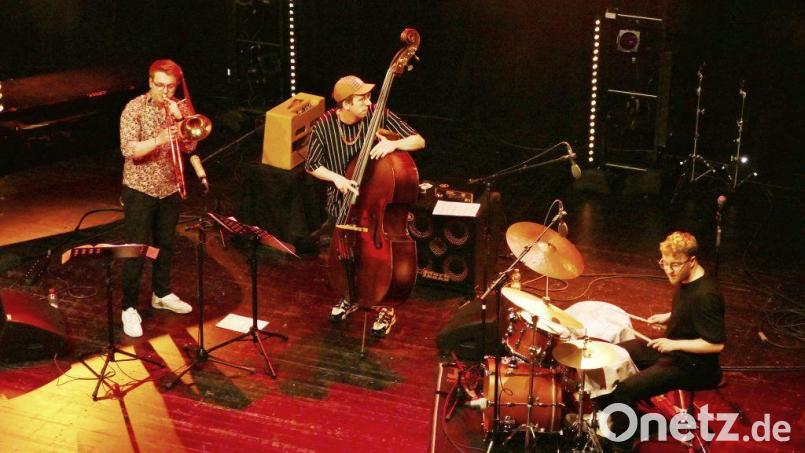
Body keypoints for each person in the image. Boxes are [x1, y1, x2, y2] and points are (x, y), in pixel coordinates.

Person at [305, 75, 425, 337]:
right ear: (345, 104)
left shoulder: (376, 113)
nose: (368, 102)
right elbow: (313, 165)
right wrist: (337, 178)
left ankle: (386, 306)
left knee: (377, 256)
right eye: (362, 99)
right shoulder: (324, 126)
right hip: (342, 202)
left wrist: (394, 143)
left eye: (369, 97)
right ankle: (349, 295)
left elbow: (418, 140)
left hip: (374, 203)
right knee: (347, 251)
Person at [595, 230, 726, 440]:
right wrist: (669, 316)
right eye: (664, 263)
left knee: (624, 391)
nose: (669, 270)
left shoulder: (706, 295)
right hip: (675, 352)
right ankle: (621, 414)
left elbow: (716, 344)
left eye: (675, 264)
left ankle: (623, 440)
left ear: (692, 261)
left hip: (694, 366)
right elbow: (690, 309)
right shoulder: (687, 280)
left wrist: (673, 345)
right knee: (612, 353)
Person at [118, 59, 195, 338]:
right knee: (138, 248)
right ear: (150, 82)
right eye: (160, 85)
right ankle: (128, 307)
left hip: (169, 187)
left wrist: (180, 119)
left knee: (165, 244)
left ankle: (161, 293)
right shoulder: (134, 109)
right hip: (140, 188)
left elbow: (191, 144)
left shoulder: (180, 107)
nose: (165, 92)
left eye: (171, 86)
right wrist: (160, 139)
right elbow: (130, 151)